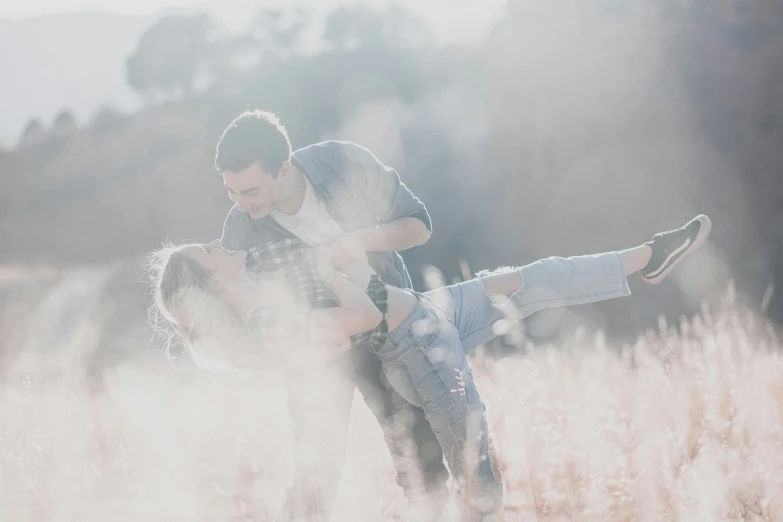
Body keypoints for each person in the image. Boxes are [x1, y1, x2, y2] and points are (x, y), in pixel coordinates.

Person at [149, 214, 712, 521]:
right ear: (213, 281)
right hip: (414, 345)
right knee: (474, 465)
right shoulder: (267, 321)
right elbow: (359, 319)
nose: (217, 244)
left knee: (534, 277)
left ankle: (647, 257)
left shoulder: (263, 283)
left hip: (429, 314)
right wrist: (337, 275)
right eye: (208, 251)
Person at [215, 109, 447, 520]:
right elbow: (245, 309)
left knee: (418, 453)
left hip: (386, 331)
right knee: (316, 472)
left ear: (283, 169)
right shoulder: (240, 229)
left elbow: (420, 226)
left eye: (250, 191)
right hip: (315, 353)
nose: (240, 205)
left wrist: (361, 241)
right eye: (231, 192)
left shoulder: (342, 162)